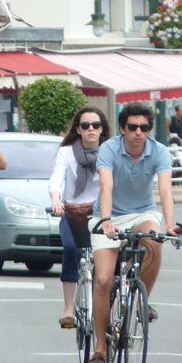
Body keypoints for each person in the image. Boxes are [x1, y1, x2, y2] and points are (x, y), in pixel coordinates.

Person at [86, 103, 182, 363]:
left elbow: (165, 190)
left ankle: (141, 302)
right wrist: (106, 220)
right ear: (122, 128)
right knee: (104, 279)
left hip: (142, 212)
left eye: (144, 128)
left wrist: (169, 224)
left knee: (154, 242)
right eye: (132, 127)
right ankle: (99, 348)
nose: (138, 133)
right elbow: (106, 185)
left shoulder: (159, 151)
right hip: (109, 216)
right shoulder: (109, 149)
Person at [48, 107, 111, 329]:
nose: (91, 129)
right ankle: (68, 309)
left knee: (112, 256)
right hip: (72, 211)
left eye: (95, 125)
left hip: (100, 214)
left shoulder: (109, 151)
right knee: (71, 250)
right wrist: (56, 199)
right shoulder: (66, 152)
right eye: (85, 126)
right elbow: (57, 178)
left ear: (103, 129)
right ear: (78, 129)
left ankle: (109, 301)